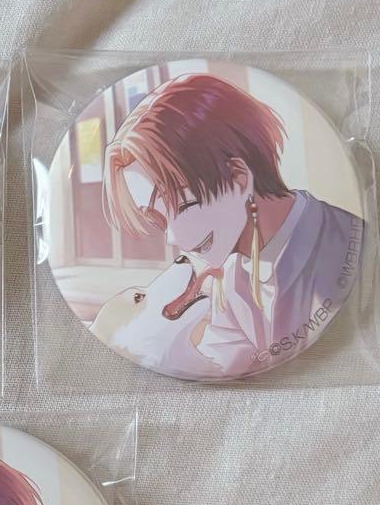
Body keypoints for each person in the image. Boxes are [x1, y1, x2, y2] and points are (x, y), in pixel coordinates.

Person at [103, 73, 361, 376]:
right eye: (158, 218)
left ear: (239, 177)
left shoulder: (344, 241)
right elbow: (221, 360)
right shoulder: (230, 281)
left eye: (183, 206)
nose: (172, 236)